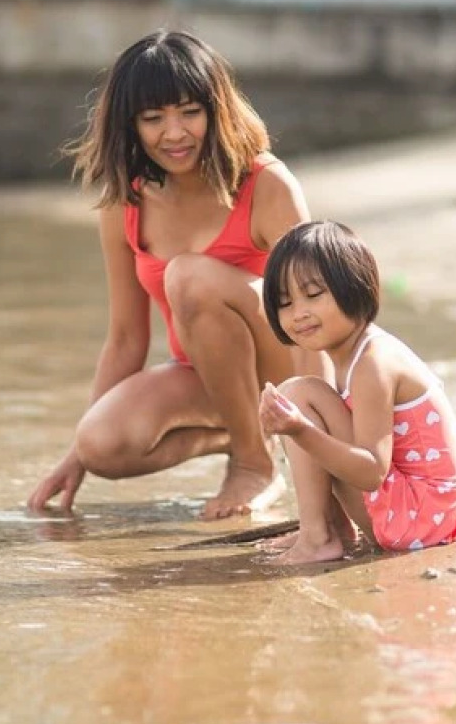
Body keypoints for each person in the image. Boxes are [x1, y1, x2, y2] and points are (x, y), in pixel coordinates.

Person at [27, 30, 321, 520]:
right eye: (153, 118)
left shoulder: (266, 184)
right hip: (210, 374)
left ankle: (255, 461)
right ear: (130, 125)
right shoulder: (127, 200)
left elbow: (321, 315)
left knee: (187, 277)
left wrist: (326, 438)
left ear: (215, 109)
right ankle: (251, 429)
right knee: (101, 442)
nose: (174, 132)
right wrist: (76, 456)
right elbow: (125, 338)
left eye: (189, 111)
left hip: (289, 361)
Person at [256, 220, 456, 564]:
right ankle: (326, 527)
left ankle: (319, 536)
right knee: (301, 395)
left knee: (299, 398)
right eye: (285, 302)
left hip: (422, 521)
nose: (298, 313)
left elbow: (371, 472)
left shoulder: (373, 363)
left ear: (353, 286)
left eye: (314, 295)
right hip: (420, 513)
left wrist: (299, 430)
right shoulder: (351, 356)